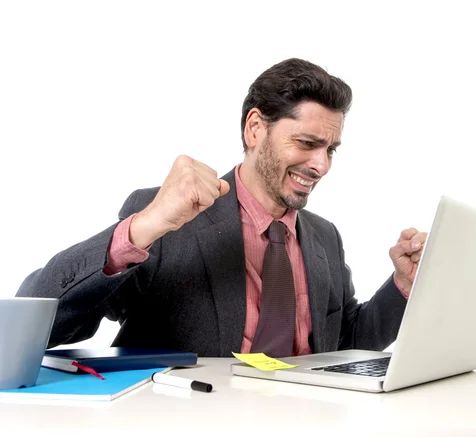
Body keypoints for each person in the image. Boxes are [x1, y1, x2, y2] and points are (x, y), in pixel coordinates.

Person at [17, 58, 427, 358]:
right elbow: (35, 325)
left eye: (330, 149)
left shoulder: (324, 236)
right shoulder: (166, 215)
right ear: (254, 128)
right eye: (306, 143)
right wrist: (143, 227)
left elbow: (341, 345)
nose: (321, 165)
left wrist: (402, 287)